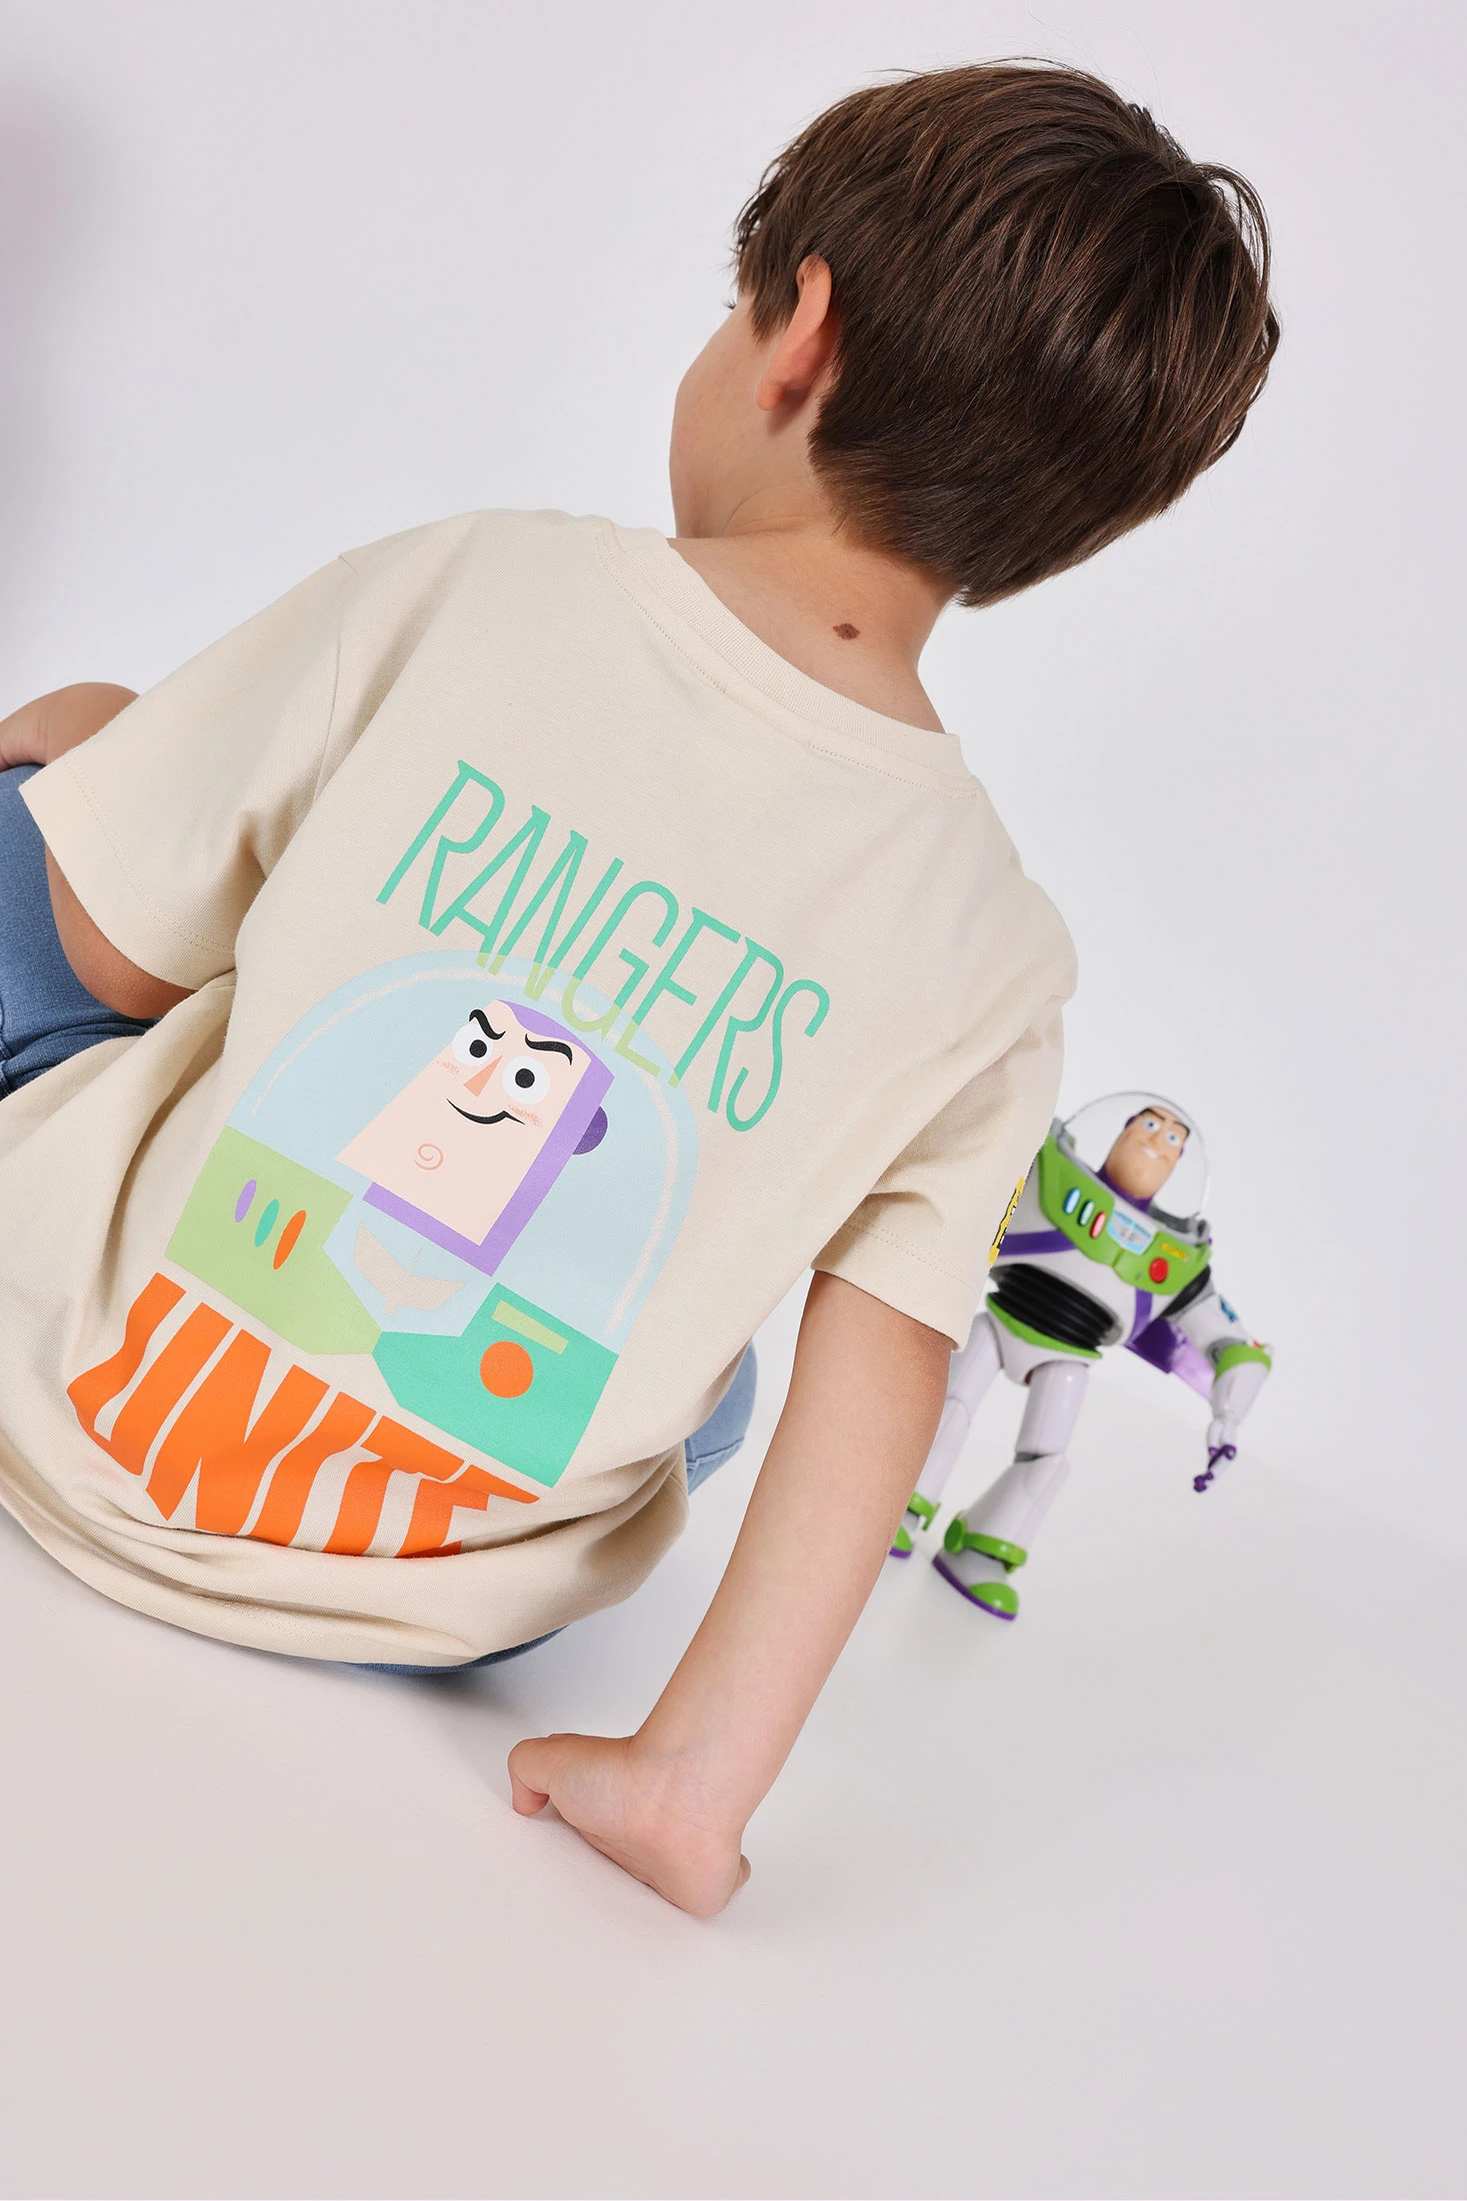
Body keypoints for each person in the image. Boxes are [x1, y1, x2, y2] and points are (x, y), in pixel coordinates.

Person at [0, 62, 1277, 1915]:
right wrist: (693, 1780)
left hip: (62, 1392)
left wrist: (86, 760)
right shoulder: (995, 950)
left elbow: (110, 953)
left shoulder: (478, 585)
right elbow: (891, 1365)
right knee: (727, 1367)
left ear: (797, 336)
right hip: (447, 1590)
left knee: (71, 776)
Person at [892, 1096, 1273, 1617]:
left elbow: (1229, 1340)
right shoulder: (1045, 1165)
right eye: (1150, 1124)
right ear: (1124, 1129)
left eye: (1172, 1139)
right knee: (948, 1407)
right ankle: (896, 1502)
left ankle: (983, 1548)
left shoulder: (1180, 1257)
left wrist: (1229, 1410)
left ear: (1178, 1163)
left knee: (1047, 1459)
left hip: (1070, 1355)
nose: (1156, 1141)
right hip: (1001, 1320)